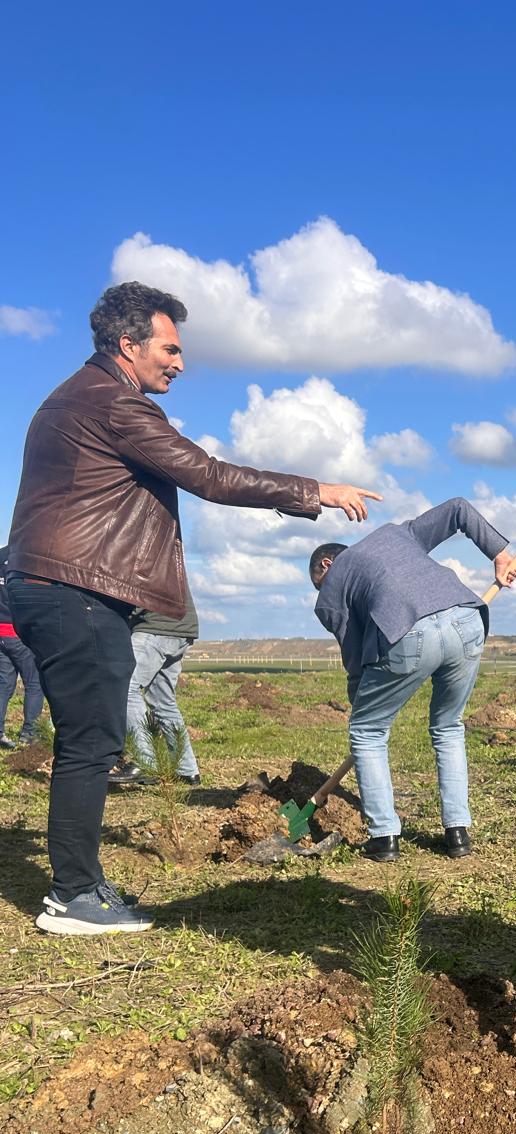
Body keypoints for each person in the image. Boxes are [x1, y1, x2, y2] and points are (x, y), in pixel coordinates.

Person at [6, 280, 379, 937]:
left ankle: (83, 882)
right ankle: (71, 897)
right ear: (129, 345)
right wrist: (312, 490)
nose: (179, 363)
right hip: (77, 591)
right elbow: (208, 475)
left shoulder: (78, 397)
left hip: (63, 586)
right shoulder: (113, 404)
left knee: (90, 740)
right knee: (91, 744)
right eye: (170, 348)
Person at [311, 498, 516, 861]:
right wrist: (499, 553)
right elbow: (457, 509)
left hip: (406, 630)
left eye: (319, 583)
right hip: (467, 619)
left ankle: (384, 837)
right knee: (448, 726)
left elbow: (356, 658)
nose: (322, 591)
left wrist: (364, 710)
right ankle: (458, 835)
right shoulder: (397, 534)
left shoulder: (330, 591)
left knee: (368, 733)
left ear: (327, 564)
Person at [110, 571, 202, 788]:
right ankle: (187, 770)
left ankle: (146, 762)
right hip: (181, 627)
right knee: (163, 701)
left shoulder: (132, 544)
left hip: (156, 627)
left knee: (123, 686)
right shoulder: (162, 543)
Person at [0, 544, 45, 748]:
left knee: (4, 684)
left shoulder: (2, 556)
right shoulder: (27, 557)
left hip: (1, 631)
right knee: (34, 683)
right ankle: (29, 735)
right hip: (19, 630)